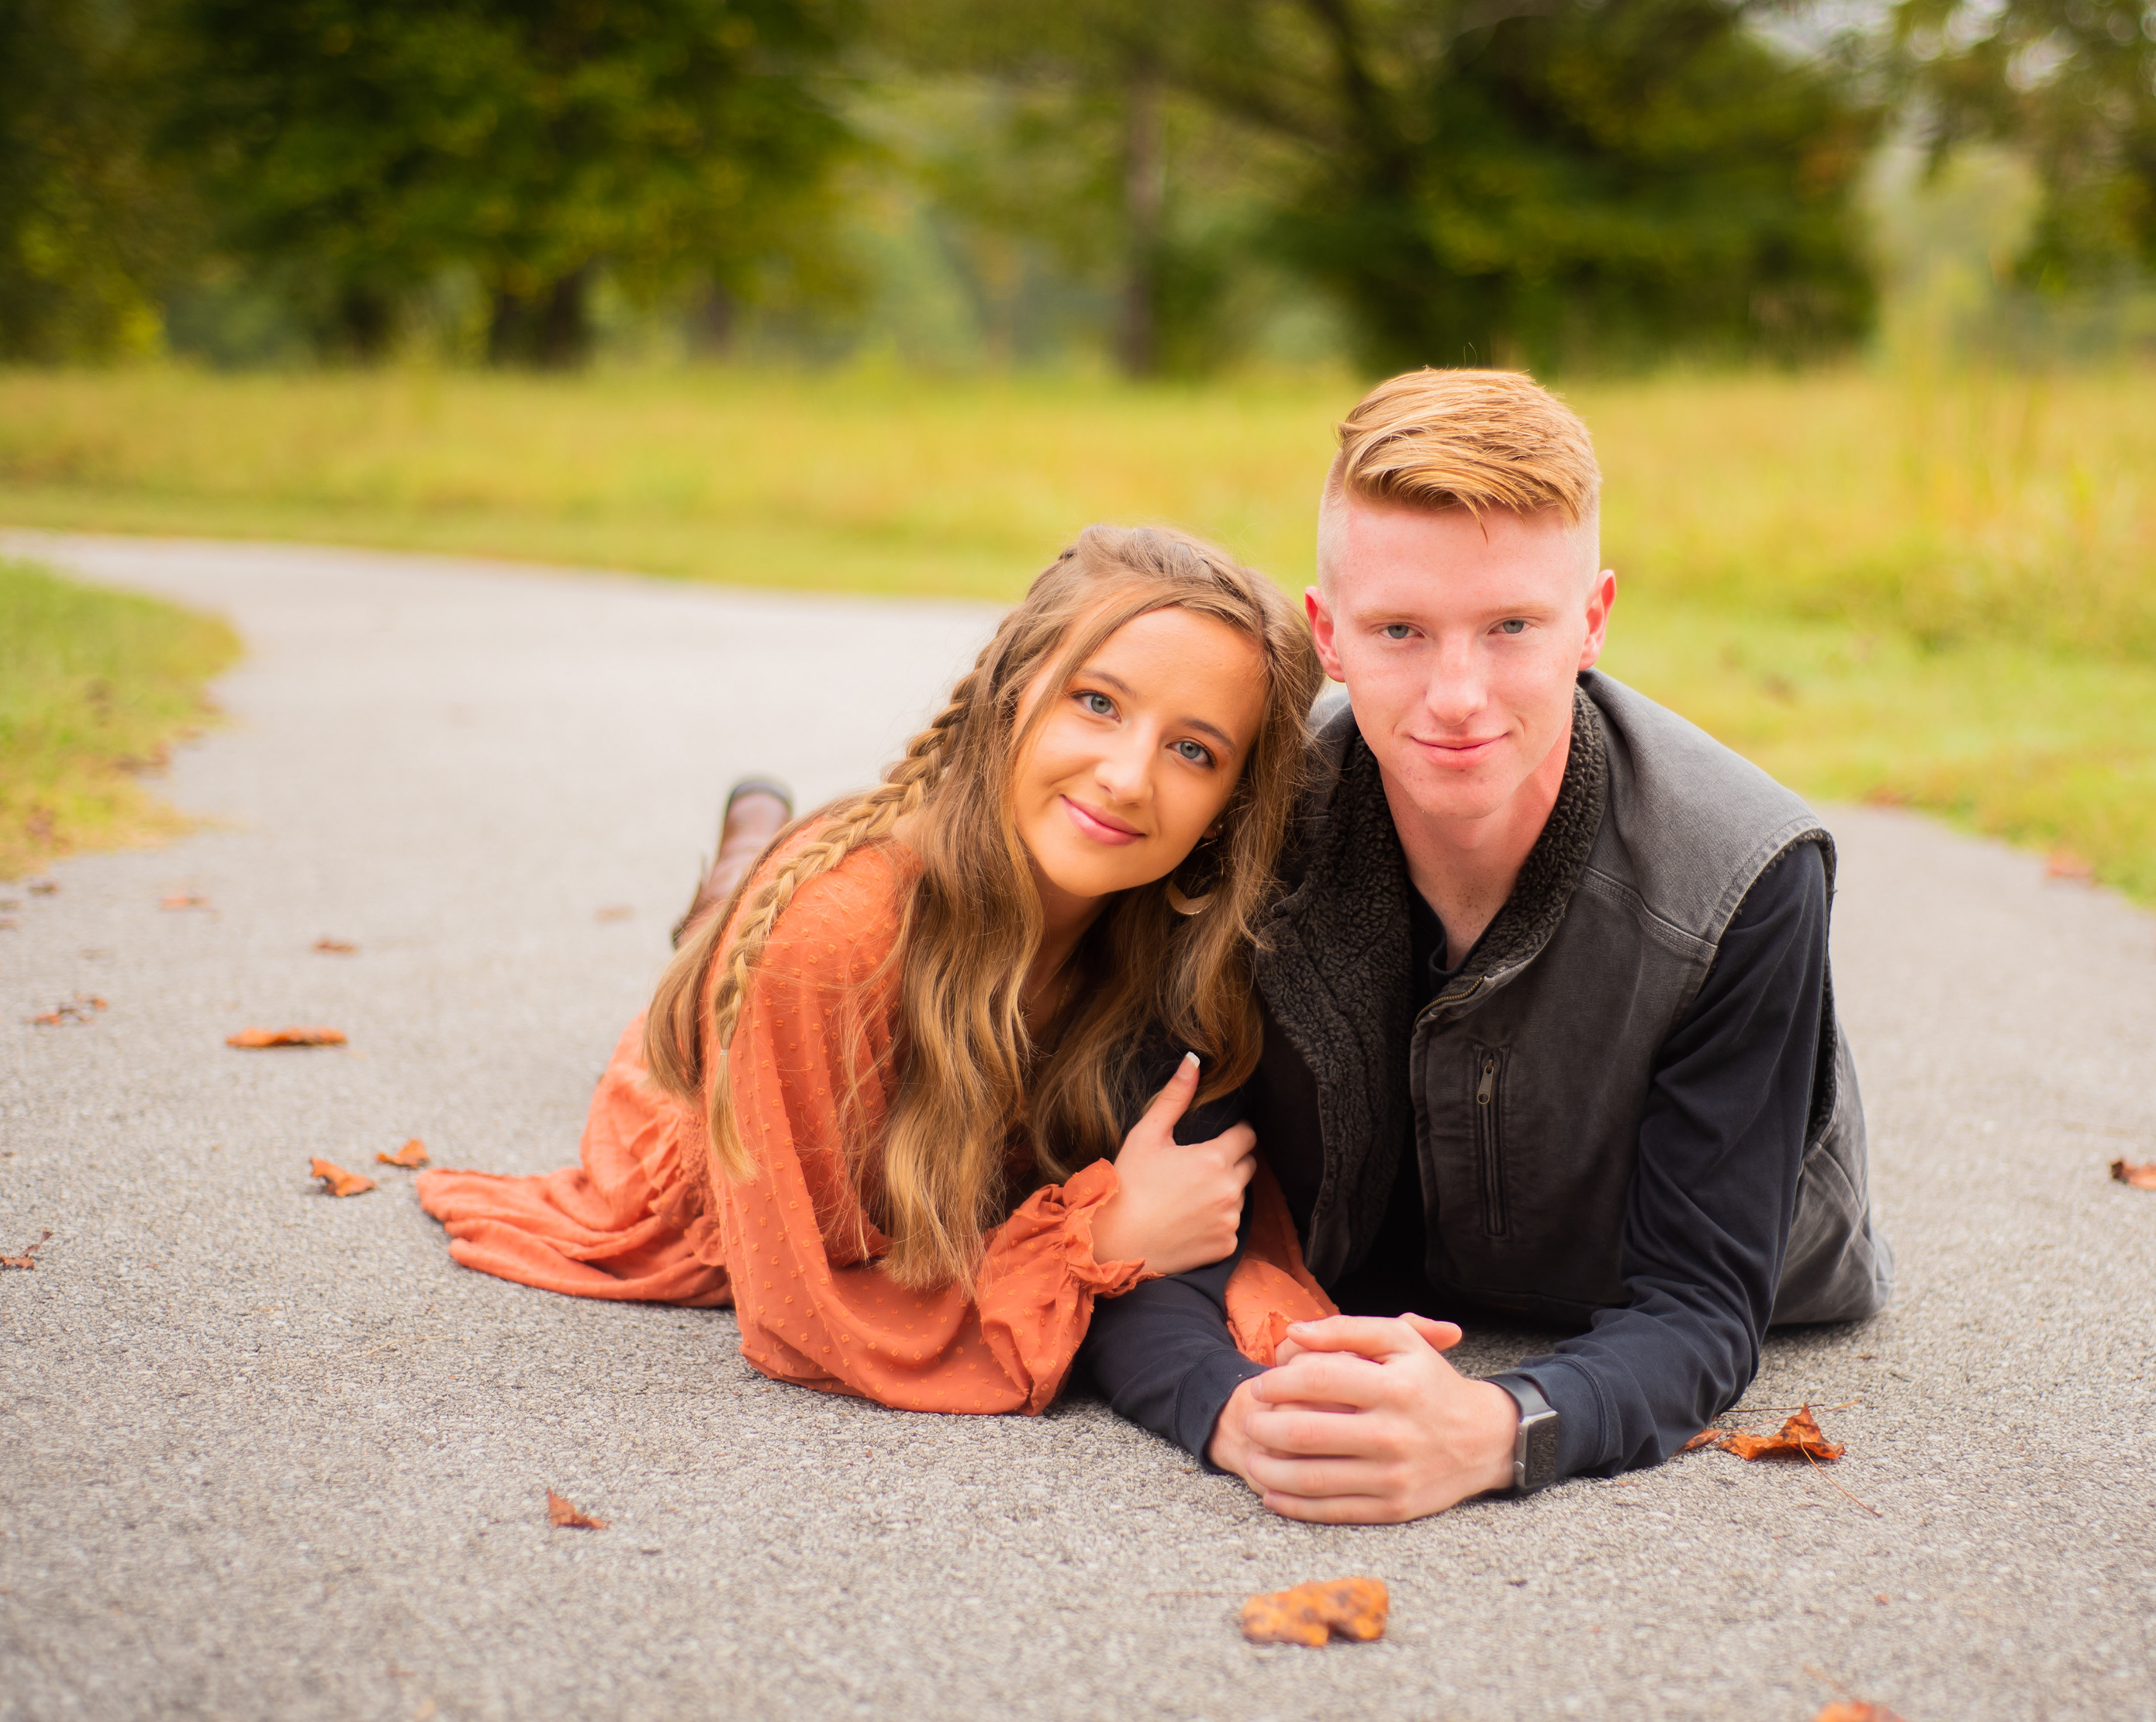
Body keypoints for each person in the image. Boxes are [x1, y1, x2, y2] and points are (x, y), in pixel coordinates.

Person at [1071, 369, 1893, 1520]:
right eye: (1400, 630)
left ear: (1593, 621)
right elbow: (1149, 1222)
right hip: (1367, 1264)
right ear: (1328, 634)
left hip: (1719, 1283)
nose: (1457, 696)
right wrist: (1232, 1411)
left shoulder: (1747, 873)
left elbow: (1702, 1305)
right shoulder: (1243, 828)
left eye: (1512, 626)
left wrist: (1495, 1429)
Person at [416, 525, 1333, 1414]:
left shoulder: (1178, 926)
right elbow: (800, 1314)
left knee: (749, 927)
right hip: (743, 1088)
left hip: (838, 973)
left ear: (1229, 804)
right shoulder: (832, 941)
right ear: (1013, 690)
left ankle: (741, 865)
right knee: (732, 953)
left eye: (1193, 750)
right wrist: (1098, 1237)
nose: (1129, 778)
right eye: (1097, 703)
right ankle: (739, 880)